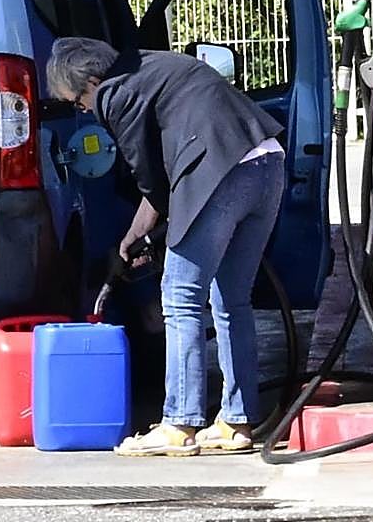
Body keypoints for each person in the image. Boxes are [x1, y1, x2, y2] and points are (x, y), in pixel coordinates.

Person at [45, 37, 286, 457]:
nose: (83, 111)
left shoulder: (114, 94)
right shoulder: (152, 67)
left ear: (92, 83)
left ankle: (179, 423)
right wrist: (135, 235)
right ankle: (237, 422)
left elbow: (150, 178)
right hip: (266, 164)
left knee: (180, 297)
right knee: (231, 299)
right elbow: (161, 178)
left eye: (77, 102)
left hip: (220, 172)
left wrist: (145, 232)